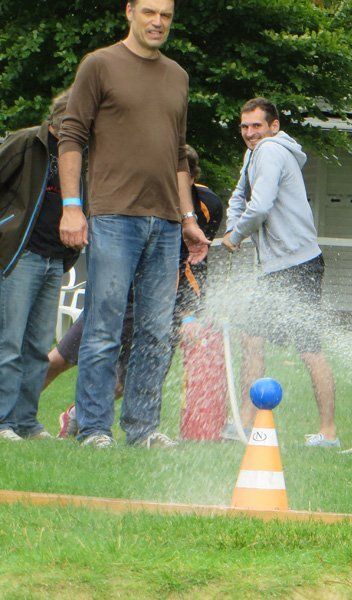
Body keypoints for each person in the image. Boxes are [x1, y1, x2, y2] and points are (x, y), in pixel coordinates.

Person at [57, 0, 210, 449]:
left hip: (164, 224)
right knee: (103, 326)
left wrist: (187, 218)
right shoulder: (99, 65)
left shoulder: (178, 76)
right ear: (129, 11)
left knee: (156, 332)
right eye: (149, 12)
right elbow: (71, 136)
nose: (158, 21)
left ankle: (142, 430)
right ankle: (94, 429)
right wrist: (71, 206)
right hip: (112, 217)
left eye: (165, 14)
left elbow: (178, 154)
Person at [46, 146, 223, 438]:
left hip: (163, 304)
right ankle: (16, 415)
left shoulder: (208, 206)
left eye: (181, 177)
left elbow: (194, 264)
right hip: (121, 296)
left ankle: (76, 416)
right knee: (60, 359)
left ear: (191, 179)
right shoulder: (143, 197)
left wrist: (189, 310)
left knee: (125, 381)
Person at [222, 97, 338, 447]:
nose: (249, 133)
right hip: (272, 267)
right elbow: (239, 199)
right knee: (251, 339)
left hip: (298, 263)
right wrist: (232, 229)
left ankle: (328, 432)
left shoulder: (271, 150)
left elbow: (261, 205)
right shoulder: (251, 156)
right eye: (244, 127)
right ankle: (244, 422)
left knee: (309, 348)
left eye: (256, 125)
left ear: (273, 126)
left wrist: (237, 234)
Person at [0, 90, 82, 441]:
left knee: (37, 345)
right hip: (21, 255)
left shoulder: (81, 156)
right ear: (58, 119)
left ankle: (26, 421)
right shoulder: (25, 142)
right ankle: (2, 421)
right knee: (9, 342)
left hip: (55, 259)